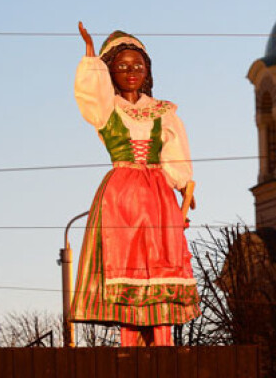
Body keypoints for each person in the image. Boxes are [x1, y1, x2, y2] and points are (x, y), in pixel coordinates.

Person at [70, 22, 200, 346]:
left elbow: (174, 153)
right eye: (123, 66)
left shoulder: (162, 112)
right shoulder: (108, 109)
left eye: (138, 65)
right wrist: (90, 56)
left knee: (160, 258)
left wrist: (183, 185)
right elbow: (91, 94)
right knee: (125, 260)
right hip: (121, 195)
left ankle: (162, 339)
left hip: (157, 193)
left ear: (147, 71)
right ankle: (129, 339)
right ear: (109, 71)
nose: (131, 71)